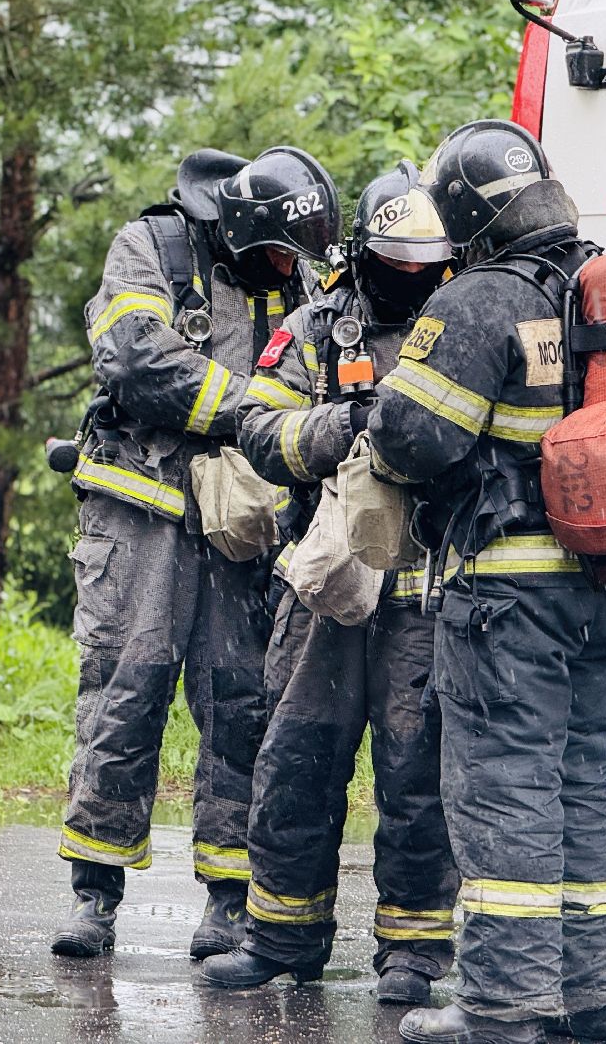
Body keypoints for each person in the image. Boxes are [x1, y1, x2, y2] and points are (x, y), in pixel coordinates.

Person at [366, 121, 606, 1044]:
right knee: (587, 785)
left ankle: (504, 1010)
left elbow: (409, 437)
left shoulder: (481, 301)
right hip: (603, 589)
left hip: (505, 598)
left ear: (471, 218)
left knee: (505, 796)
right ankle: (595, 1002)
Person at [51, 146, 340, 961]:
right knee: (123, 691)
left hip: (241, 526)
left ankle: (228, 900)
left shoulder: (295, 278)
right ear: (242, 228)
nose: (291, 268)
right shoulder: (151, 247)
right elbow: (136, 357)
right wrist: (254, 411)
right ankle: (94, 893)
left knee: (242, 703)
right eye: (281, 253)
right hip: (137, 509)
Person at [199, 164, 460, 1005]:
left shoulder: (461, 320)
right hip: (327, 585)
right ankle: (280, 938)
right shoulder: (320, 326)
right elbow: (257, 426)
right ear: (364, 252)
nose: (413, 277)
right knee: (296, 757)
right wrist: (342, 425)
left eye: (428, 262)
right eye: (399, 261)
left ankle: (414, 953)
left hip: (424, 588)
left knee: (417, 771)